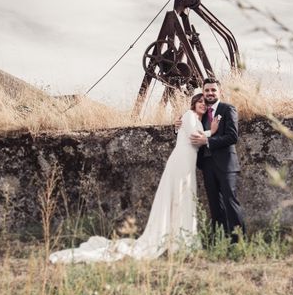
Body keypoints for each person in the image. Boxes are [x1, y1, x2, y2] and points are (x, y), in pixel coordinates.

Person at [49, 93, 219, 263]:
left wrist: (199, 130)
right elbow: (194, 136)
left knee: (183, 198)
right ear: (194, 103)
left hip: (188, 161)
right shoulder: (189, 115)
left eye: (205, 103)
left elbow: (188, 133)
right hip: (181, 160)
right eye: (200, 101)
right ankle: (179, 242)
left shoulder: (196, 120)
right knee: (178, 196)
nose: (203, 104)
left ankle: (179, 240)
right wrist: (211, 131)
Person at [188, 77, 246, 243]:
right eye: (207, 90)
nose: (210, 93)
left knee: (230, 203)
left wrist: (207, 141)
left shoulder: (228, 109)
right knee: (215, 206)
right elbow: (189, 131)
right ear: (203, 92)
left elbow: (232, 136)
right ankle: (220, 241)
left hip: (226, 165)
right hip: (207, 165)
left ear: (219, 92)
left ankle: (239, 242)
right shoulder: (202, 113)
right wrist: (177, 128)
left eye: (213, 90)